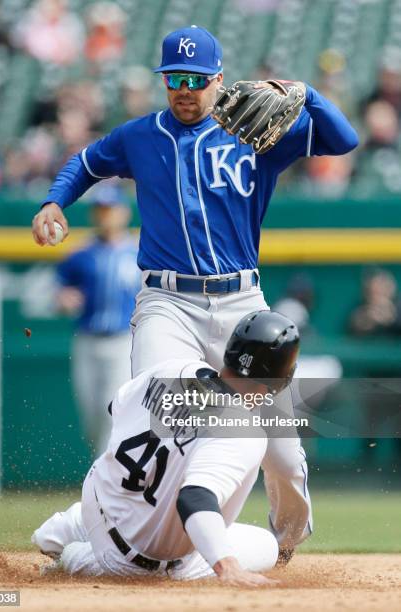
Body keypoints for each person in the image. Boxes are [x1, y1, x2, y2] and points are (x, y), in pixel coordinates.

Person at [32, 25, 359, 562]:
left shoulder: (255, 133)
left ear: (219, 80)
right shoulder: (141, 135)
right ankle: (108, 531)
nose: (185, 89)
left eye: (197, 79)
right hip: (168, 303)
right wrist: (53, 202)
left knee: (280, 448)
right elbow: (85, 163)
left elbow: (343, 141)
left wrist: (308, 93)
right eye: (175, 79)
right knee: (160, 423)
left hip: (242, 308)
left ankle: (288, 542)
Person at [32, 311, 299, 585]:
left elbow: (117, 407)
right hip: (131, 562)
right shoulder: (244, 431)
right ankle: (75, 557)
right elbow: (194, 499)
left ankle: (68, 526)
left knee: (154, 482)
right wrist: (227, 566)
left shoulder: (177, 369)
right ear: (276, 382)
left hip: (100, 499)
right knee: (267, 546)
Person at [55, 180, 141, 452]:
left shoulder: (140, 251)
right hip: (87, 339)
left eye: (110, 209)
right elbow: (58, 291)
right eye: (100, 210)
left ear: (124, 212)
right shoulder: (79, 254)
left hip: (123, 341)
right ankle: (104, 469)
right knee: (91, 415)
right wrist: (63, 298)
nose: (105, 215)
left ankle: (106, 485)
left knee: (111, 408)